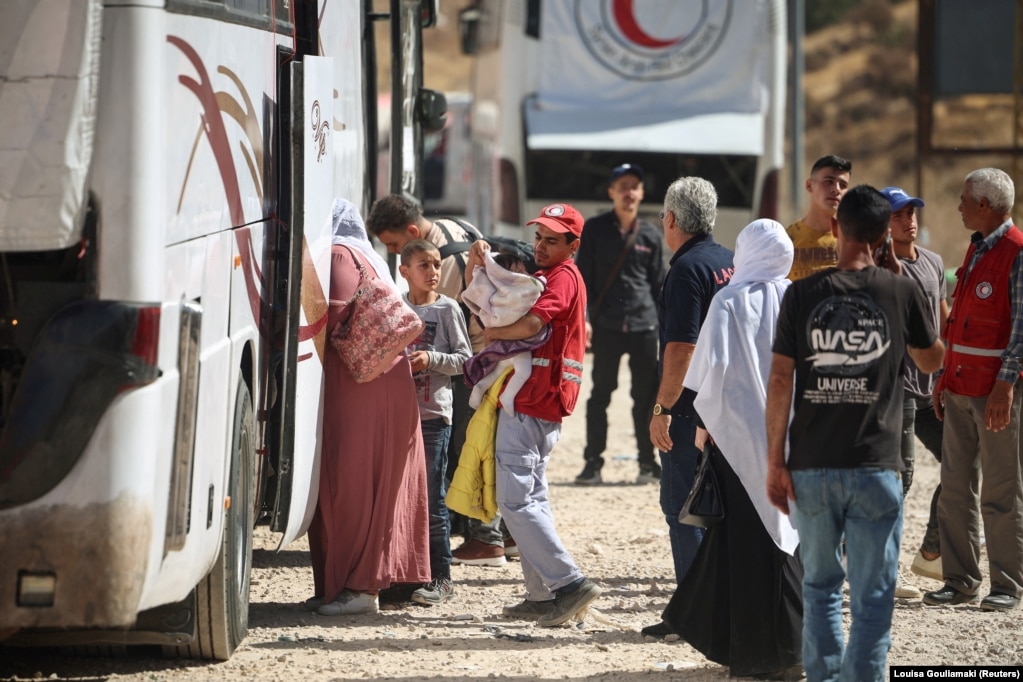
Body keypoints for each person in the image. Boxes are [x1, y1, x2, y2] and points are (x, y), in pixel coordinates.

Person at [766, 185, 944, 681]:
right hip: (875, 465)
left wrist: (774, 462)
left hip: (812, 464)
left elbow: (780, 380)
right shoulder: (900, 290)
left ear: (836, 228)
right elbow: (932, 360)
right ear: (885, 234)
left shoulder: (802, 294)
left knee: (821, 586)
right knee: (873, 595)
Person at [657, 219, 803, 680]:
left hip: (738, 443)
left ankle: (757, 656)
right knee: (790, 541)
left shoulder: (730, 300)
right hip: (793, 441)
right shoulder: (801, 300)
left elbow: (706, 376)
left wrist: (700, 429)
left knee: (747, 546)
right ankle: (796, 650)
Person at [464, 203, 601, 627]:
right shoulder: (553, 274)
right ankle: (542, 594)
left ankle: (568, 583)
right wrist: (478, 264)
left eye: (552, 240)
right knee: (531, 497)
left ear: (573, 246)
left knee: (514, 500)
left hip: (534, 401)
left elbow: (529, 325)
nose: (541, 246)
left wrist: (491, 334)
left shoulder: (561, 278)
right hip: (538, 401)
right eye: (539, 237)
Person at [366, 195, 511, 566]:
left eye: (396, 246)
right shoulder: (457, 226)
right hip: (492, 358)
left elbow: (454, 339)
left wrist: (427, 358)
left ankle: (486, 537)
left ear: (413, 231)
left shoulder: (437, 272)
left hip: (474, 366)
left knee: (469, 449)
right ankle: (500, 535)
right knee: (482, 445)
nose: (396, 256)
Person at [308, 199, 431, 616]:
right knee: (361, 483)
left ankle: (360, 589)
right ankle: (342, 586)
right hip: (379, 381)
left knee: (354, 485)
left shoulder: (341, 255)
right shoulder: (370, 257)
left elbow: (333, 313)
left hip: (365, 386)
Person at [923, 167, 1023, 613]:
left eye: (965, 200)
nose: (959, 206)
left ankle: (1007, 584)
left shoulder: (1016, 252)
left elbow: (1020, 328)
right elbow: (958, 323)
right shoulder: (976, 248)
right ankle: (959, 579)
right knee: (955, 488)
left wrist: (1006, 386)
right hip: (960, 387)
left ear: (985, 206)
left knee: (1001, 491)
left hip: (994, 395)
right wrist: (942, 378)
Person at [642, 177, 734, 638]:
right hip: (731, 405)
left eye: (662, 216)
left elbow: (681, 348)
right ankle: (724, 605)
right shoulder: (729, 262)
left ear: (673, 219)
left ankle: (697, 615)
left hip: (690, 407)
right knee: (725, 506)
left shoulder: (686, 269)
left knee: (683, 508)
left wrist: (662, 408)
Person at [574, 163, 666, 485]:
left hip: (644, 325)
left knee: (646, 397)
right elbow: (582, 280)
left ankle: (647, 462)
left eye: (634, 186)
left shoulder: (651, 234)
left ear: (641, 194)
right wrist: (584, 320)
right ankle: (592, 463)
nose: (629, 192)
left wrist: (667, 329)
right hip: (608, 326)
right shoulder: (596, 229)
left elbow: (659, 286)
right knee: (601, 394)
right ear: (611, 192)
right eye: (623, 186)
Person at [878, 186, 949, 592]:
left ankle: (932, 552)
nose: (910, 220)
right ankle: (876, 566)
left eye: (912, 212)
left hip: (933, 388)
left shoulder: (934, 263)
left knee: (960, 465)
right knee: (900, 478)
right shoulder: (878, 267)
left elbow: (945, 321)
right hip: (898, 387)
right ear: (884, 224)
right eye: (900, 214)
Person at [398, 239, 472, 606]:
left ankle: (441, 577)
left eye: (437, 264)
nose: (433, 272)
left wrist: (430, 358)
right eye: (423, 265)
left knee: (432, 498)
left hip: (433, 418)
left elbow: (464, 360)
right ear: (404, 271)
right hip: (397, 417)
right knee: (399, 498)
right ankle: (405, 575)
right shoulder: (395, 307)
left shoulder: (447, 309)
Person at [787, 155, 852, 281]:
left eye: (843, 185)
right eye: (829, 182)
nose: (836, 190)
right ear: (809, 185)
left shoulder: (853, 241)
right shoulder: (787, 239)